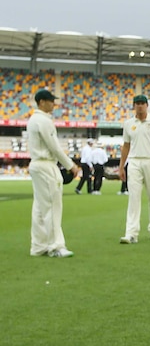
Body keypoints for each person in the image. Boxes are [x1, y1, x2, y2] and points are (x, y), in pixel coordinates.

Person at [26, 89, 79, 258]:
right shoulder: (43, 120)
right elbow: (54, 146)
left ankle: (38, 245)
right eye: (50, 101)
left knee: (40, 208)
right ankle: (56, 246)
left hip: (37, 165)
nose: (53, 104)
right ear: (41, 102)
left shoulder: (34, 119)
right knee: (52, 206)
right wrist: (71, 165)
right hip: (46, 165)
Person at [118, 94, 150, 244]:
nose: (140, 106)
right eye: (137, 103)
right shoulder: (128, 124)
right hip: (134, 162)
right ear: (134, 106)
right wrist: (121, 166)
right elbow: (126, 146)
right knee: (133, 197)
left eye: (142, 103)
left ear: (147, 105)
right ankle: (131, 233)